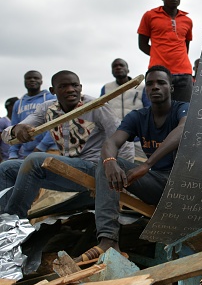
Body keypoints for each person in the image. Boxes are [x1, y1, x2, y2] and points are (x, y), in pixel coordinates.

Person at [76, 65, 188, 262]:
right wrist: (110, 162)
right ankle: (109, 241)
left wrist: (147, 164)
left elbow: (182, 130)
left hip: (185, 186)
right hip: (157, 184)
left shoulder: (183, 109)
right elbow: (111, 142)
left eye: (161, 83)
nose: (155, 87)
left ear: (171, 88)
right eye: (150, 84)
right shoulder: (138, 116)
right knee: (107, 164)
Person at [0, 71, 132, 217]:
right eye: (63, 86)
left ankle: (13, 219)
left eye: (74, 85)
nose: (70, 90)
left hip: (94, 170)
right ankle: (2, 219)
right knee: (6, 168)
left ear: (80, 87)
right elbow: (8, 135)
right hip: (65, 171)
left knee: (35, 160)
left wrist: (124, 179)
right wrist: (16, 130)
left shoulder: (97, 106)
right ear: (52, 91)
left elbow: (124, 140)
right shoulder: (47, 108)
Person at [138, 0, 194, 102]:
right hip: (159, 73)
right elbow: (142, 45)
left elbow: (186, 46)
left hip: (184, 73)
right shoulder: (150, 16)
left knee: (184, 110)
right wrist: (159, 54)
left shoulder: (187, 20)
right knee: (159, 111)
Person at [101, 58, 150, 159]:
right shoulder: (106, 88)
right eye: (115, 66)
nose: (118, 67)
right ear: (112, 71)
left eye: (121, 65)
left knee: (142, 164)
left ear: (128, 70)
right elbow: (101, 110)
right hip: (114, 137)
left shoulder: (141, 87)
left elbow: (149, 110)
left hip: (137, 138)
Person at [9, 71, 58, 160]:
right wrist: (13, 154)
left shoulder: (50, 98)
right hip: (27, 153)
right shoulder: (18, 103)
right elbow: (14, 127)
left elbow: (55, 125)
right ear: (24, 81)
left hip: (49, 149)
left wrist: (41, 147)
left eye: (36, 78)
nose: (32, 80)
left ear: (41, 81)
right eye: (29, 78)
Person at [0, 98, 18, 162]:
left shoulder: (19, 121)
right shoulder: (3, 121)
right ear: (9, 107)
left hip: (19, 157)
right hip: (6, 159)